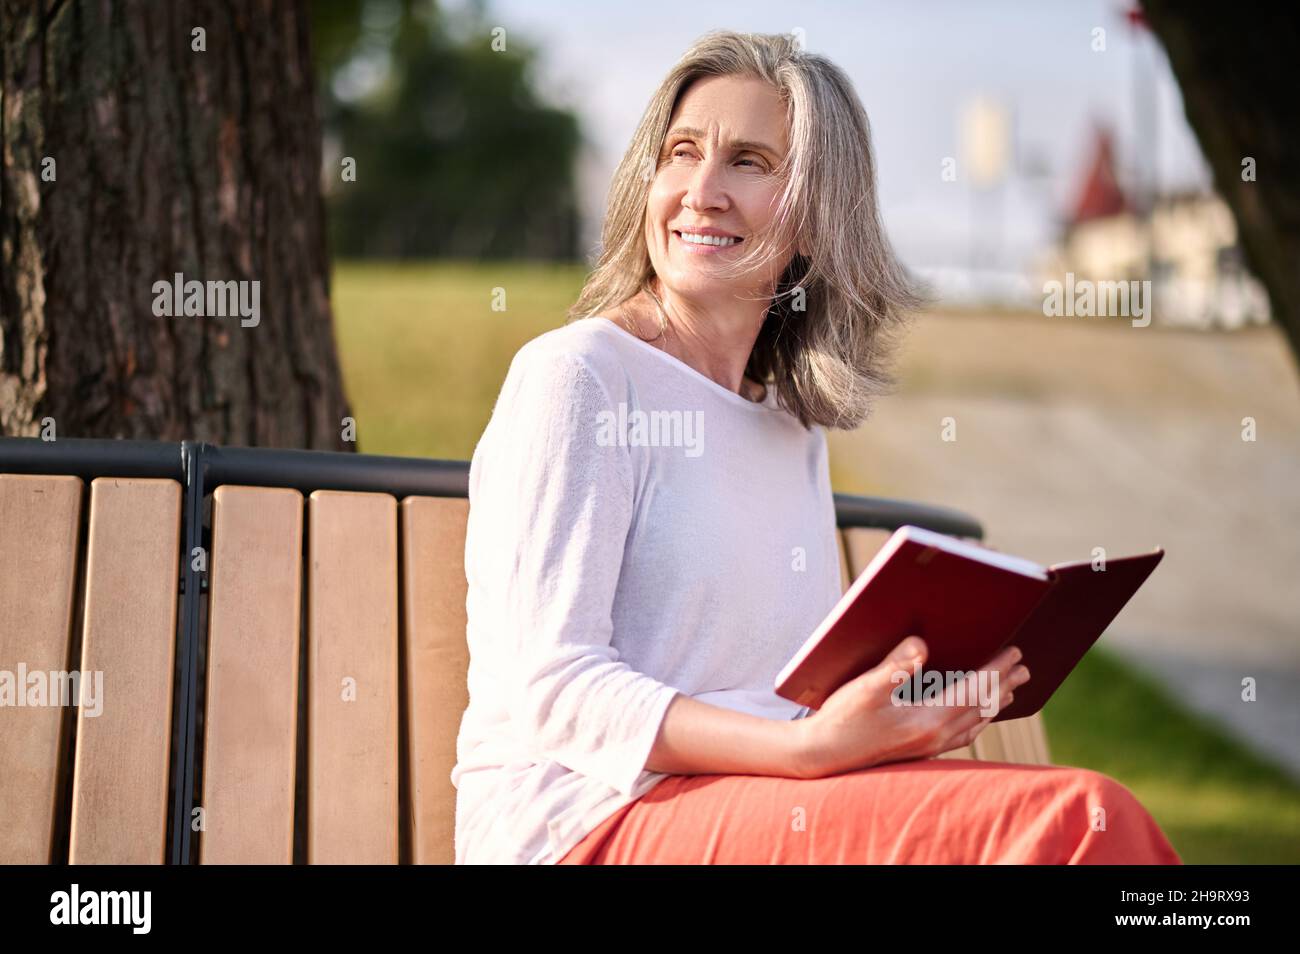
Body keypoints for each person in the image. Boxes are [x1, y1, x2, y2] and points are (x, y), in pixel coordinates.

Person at [450, 29, 1182, 866]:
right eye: (682, 152)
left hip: (765, 804)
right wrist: (807, 752)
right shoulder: (579, 376)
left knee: (1090, 820)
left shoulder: (788, 425)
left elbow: (782, 698)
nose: (701, 191)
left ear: (812, 219)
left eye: (749, 163)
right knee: (1078, 822)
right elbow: (557, 689)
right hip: (583, 822)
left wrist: (896, 708)